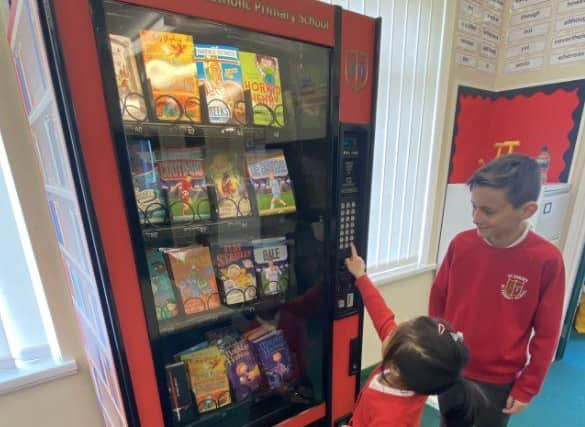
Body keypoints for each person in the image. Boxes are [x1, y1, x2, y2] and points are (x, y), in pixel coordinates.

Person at [429, 154, 565, 426]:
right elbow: (439, 299)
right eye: (474, 206)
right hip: (453, 367)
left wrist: (528, 385)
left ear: (527, 210)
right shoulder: (461, 245)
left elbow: (548, 333)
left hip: (497, 381)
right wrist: (439, 346)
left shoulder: (546, 260)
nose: (476, 217)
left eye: (488, 211)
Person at [345, 243, 485, 427]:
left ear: (396, 367)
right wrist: (361, 276)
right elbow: (382, 317)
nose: (391, 331)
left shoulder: (391, 419)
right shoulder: (415, 369)